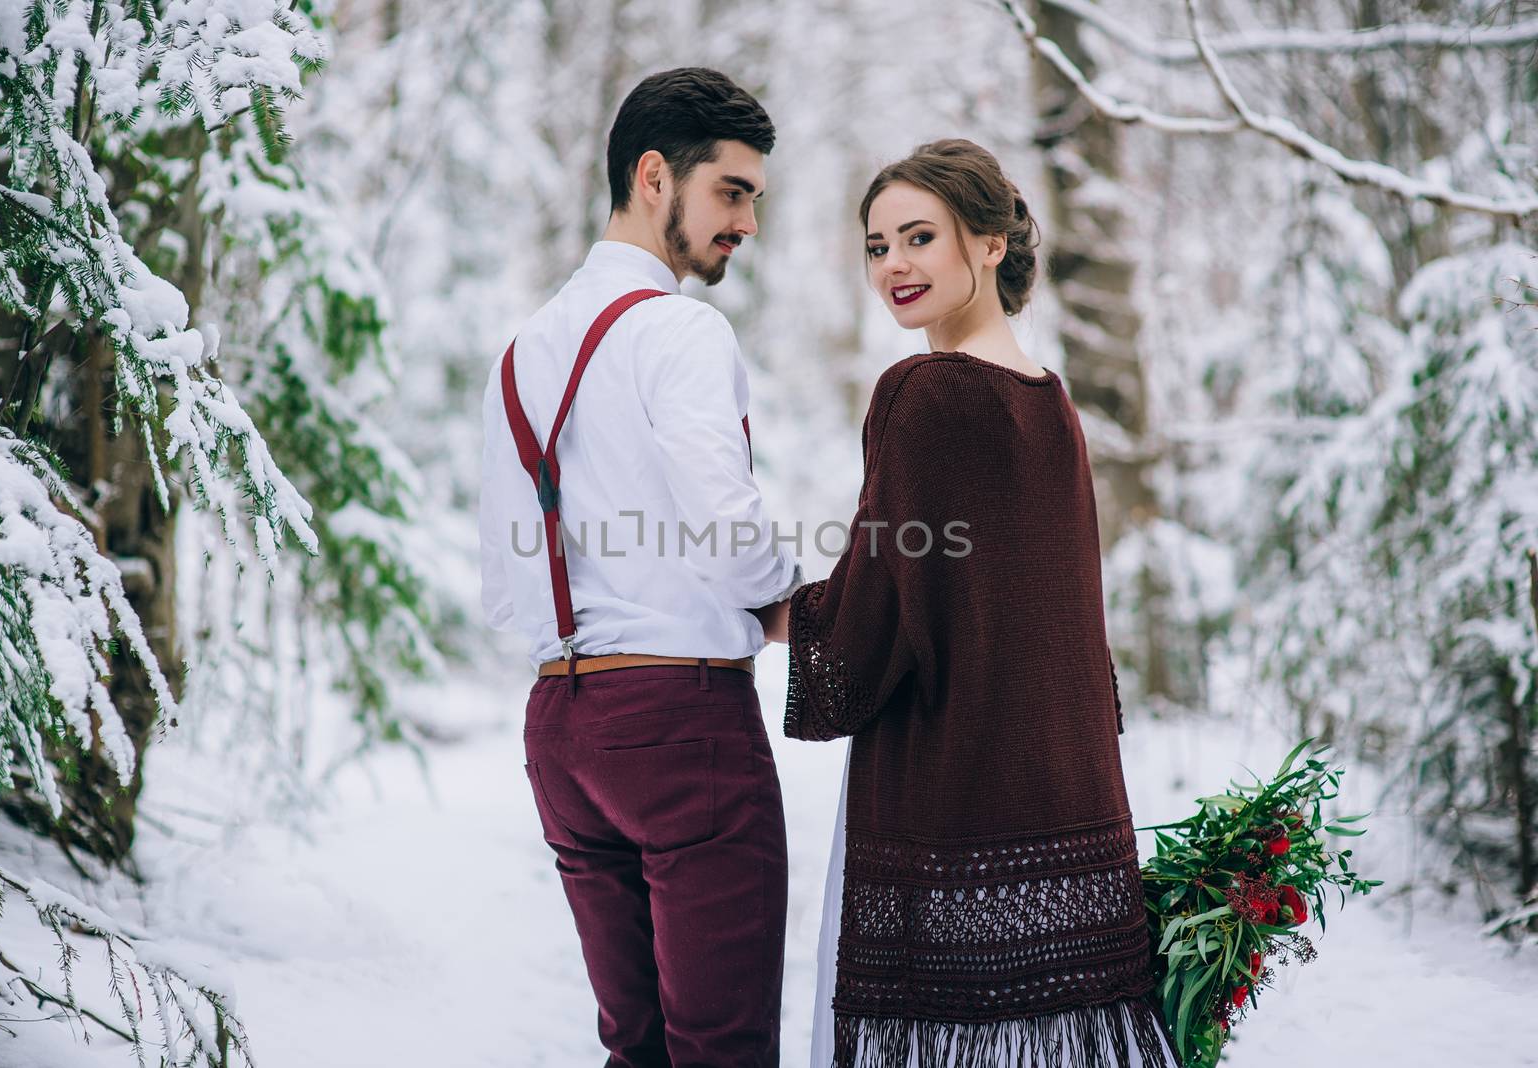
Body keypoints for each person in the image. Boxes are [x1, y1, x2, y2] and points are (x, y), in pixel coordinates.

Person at [752, 139, 1181, 1068]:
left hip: (952, 800)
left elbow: (880, 610)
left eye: (918, 238)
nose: (893, 266)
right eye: (876, 247)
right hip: (1065, 799)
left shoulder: (923, 392)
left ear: (989, 243)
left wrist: (768, 614)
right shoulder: (1050, 401)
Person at [478, 68, 802, 1067]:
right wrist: (796, 602)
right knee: (721, 1049)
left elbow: (504, 584)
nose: (745, 222)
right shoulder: (679, 328)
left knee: (638, 1049)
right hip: (682, 731)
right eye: (732, 192)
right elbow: (727, 523)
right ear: (654, 175)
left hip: (561, 730)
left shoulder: (522, 348)